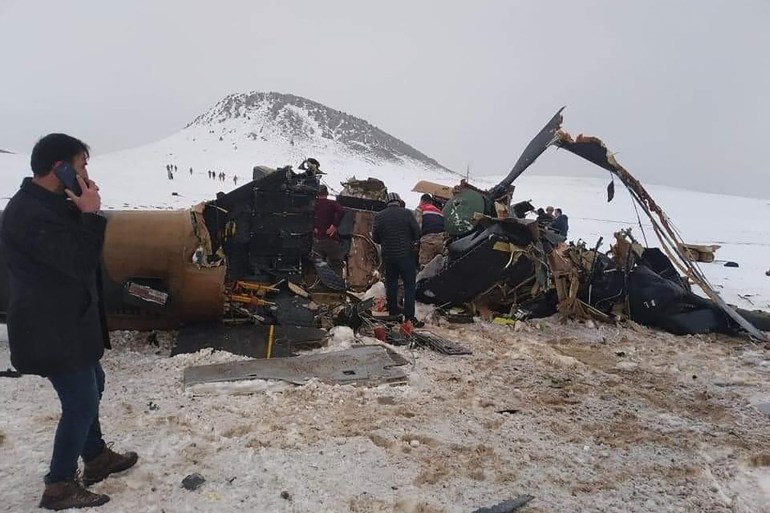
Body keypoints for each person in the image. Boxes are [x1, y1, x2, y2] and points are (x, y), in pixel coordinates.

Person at [0, 134, 138, 510]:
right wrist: (90, 216)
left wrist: (81, 209)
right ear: (57, 168)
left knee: (94, 382)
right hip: (48, 327)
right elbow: (78, 263)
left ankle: (95, 457)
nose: (86, 174)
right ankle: (58, 486)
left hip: (68, 321)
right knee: (80, 401)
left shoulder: (50, 203)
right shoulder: (28, 215)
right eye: (80, 166)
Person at [372, 192, 423, 327]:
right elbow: (417, 232)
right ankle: (409, 317)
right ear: (399, 202)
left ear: (387, 203)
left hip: (389, 257)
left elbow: (375, 238)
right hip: (406, 255)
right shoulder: (406, 213)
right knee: (409, 286)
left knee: (391, 285)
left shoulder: (379, 216)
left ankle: (393, 313)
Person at [313, 184, 346, 276]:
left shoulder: (313, 203)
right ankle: (338, 284)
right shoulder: (331, 203)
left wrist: (313, 227)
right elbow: (342, 211)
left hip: (316, 240)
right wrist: (335, 225)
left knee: (318, 264)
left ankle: (318, 285)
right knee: (336, 264)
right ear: (327, 193)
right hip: (330, 240)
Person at [414, 193, 445, 267]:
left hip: (427, 242)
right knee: (436, 267)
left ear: (422, 201)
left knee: (425, 267)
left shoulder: (420, 209)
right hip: (440, 242)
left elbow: (418, 226)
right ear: (431, 202)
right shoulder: (439, 212)